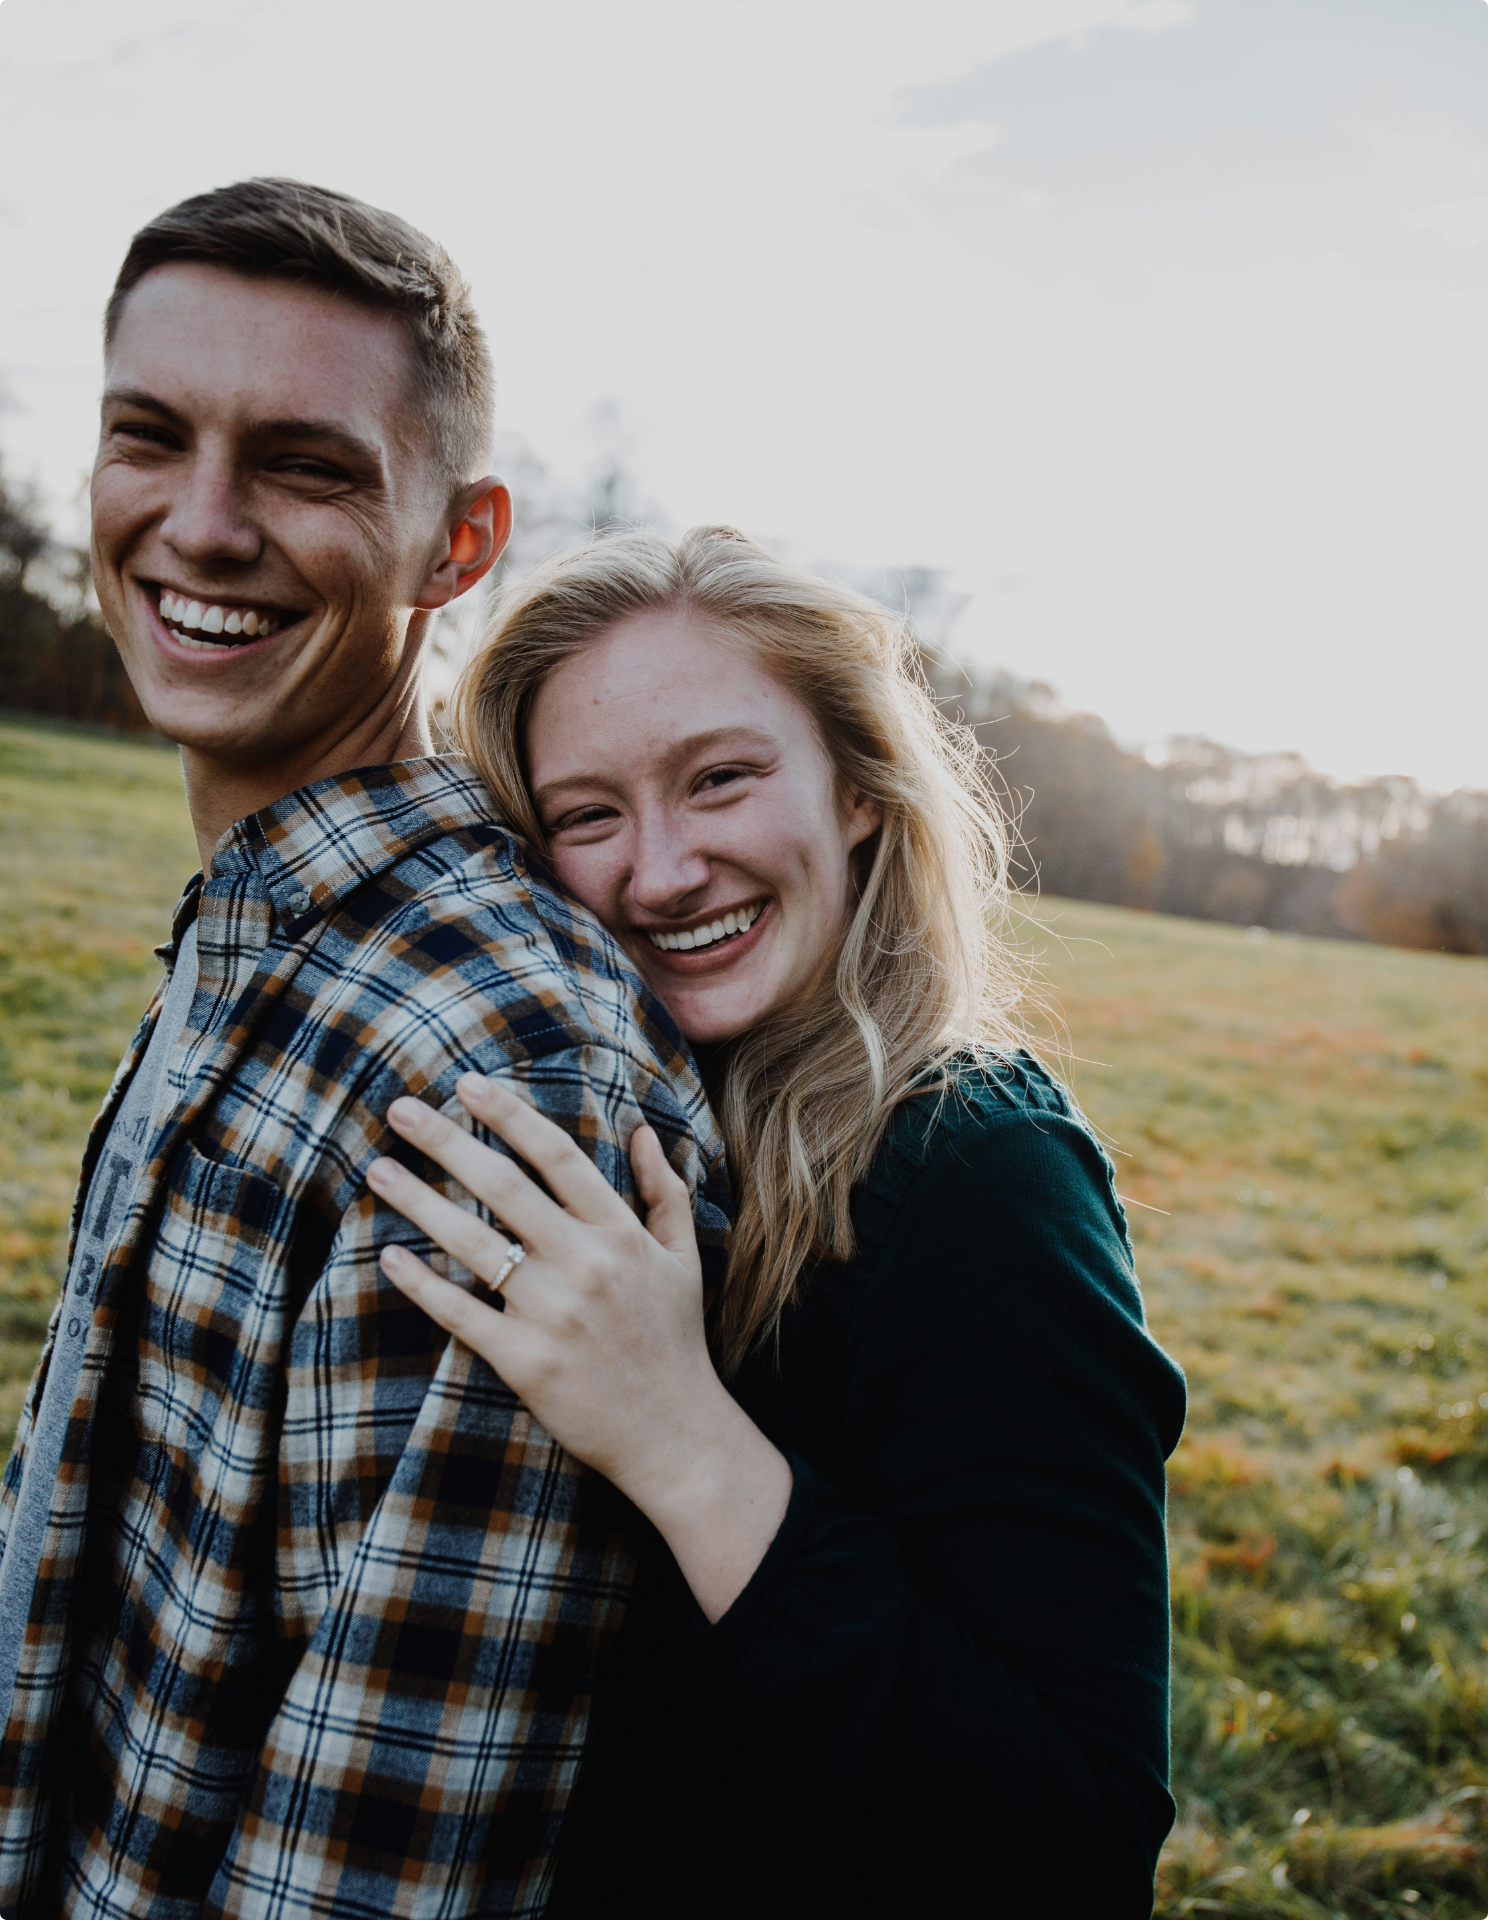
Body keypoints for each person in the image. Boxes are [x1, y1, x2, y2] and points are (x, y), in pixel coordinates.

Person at [0, 183, 726, 1919]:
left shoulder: (495, 1063)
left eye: (307, 466)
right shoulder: (261, 932)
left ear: (457, 546)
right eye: (148, 438)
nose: (202, 523)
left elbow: (383, 1854)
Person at [368, 527, 1190, 1917]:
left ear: (860, 790)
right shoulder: (634, 1110)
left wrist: (684, 1443)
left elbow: (1075, 1847)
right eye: (587, 815)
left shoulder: (979, 1176)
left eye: (721, 781)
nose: (664, 871)